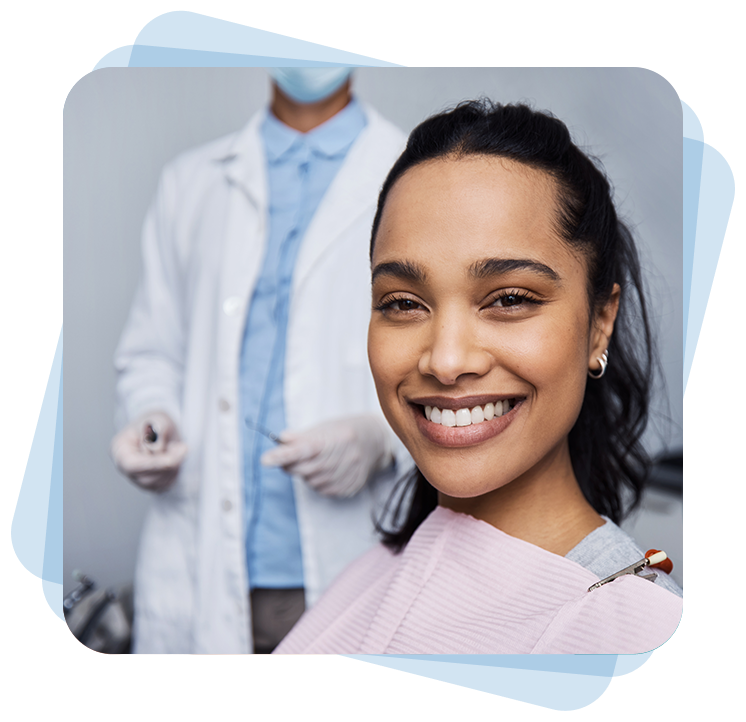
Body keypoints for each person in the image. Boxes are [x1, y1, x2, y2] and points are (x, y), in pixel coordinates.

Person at [274, 100, 687, 655]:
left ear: (599, 324)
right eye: (402, 303)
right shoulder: (367, 577)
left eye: (510, 299)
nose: (445, 361)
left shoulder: (650, 642)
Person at [110, 68, 410, 654]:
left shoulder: (413, 175)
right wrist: (154, 416)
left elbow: (454, 360)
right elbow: (152, 351)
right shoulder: (191, 182)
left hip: (340, 566)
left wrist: (383, 439)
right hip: (200, 564)